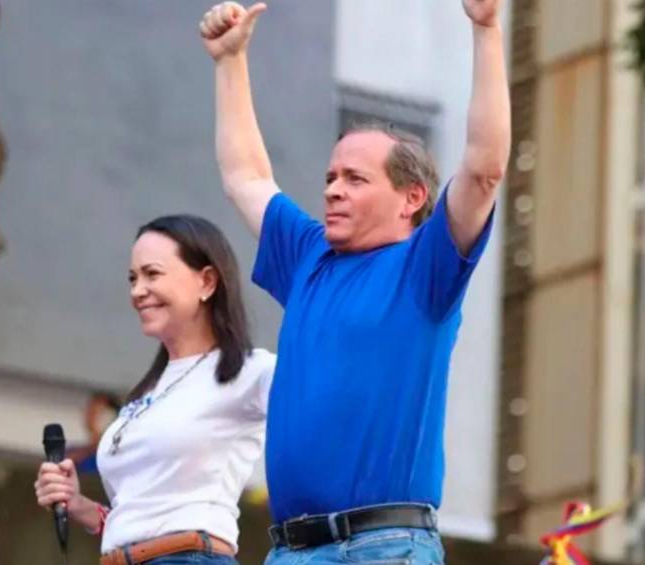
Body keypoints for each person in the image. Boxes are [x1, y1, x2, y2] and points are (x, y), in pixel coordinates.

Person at [199, 1, 511, 563]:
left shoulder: (426, 268)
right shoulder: (309, 255)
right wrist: (230, 61)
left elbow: (484, 169)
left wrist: (486, 30)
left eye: (355, 178)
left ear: (413, 199)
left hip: (383, 547)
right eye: (330, 177)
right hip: (289, 550)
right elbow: (245, 175)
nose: (333, 190)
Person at [34, 215, 275, 565]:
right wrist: (79, 504)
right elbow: (144, 520)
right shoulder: (148, 390)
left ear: (207, 281)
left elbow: (336, 405)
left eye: (152, 274)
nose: (137, 290)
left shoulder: (250, 370)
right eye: (133, 278)